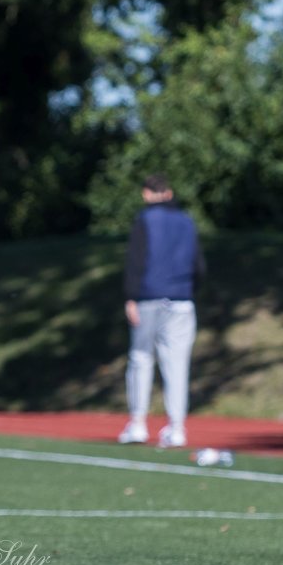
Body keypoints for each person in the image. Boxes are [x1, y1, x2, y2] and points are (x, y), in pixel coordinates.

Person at [117, 173, 205, 448]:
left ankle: (138, 424)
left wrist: (130, 296)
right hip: (181, 300)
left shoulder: (144, 220)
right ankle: (177, 428)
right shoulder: (187, 221)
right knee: (177, 364)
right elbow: (199, 265)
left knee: (141, 358)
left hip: (148, 297)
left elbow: (136, 260)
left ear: (146, 194)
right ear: (169, 192)